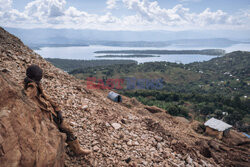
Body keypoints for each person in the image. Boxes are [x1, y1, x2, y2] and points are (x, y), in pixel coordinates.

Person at [23, 64, 91, 156]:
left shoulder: (36, 85)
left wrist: (58, 110)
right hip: (47, 115)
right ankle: (77, 150)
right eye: (40, 75)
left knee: (66, 128)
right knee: (66, 129)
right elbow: (25, 98)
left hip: (51, 112)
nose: (41, 76)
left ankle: (74, 147)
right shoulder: (31, 87)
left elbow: (48, 98)